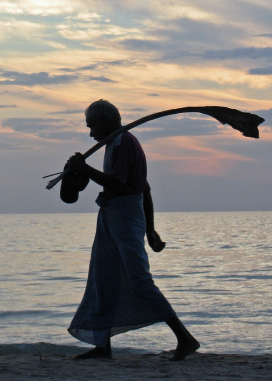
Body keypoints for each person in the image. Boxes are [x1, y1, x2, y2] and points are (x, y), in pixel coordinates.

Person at [65, 99, 200, 361]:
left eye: (92, 126)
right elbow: (145, 188)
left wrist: (85, 169)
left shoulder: (124, 142)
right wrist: (151, 228)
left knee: (139, 279)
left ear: (105, 122)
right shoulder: (114, 144)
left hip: (125, 215)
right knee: (103, 277)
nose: (91, 133)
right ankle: (102, 347)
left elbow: (118, 185)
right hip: (112, 216)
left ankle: (185, 338)